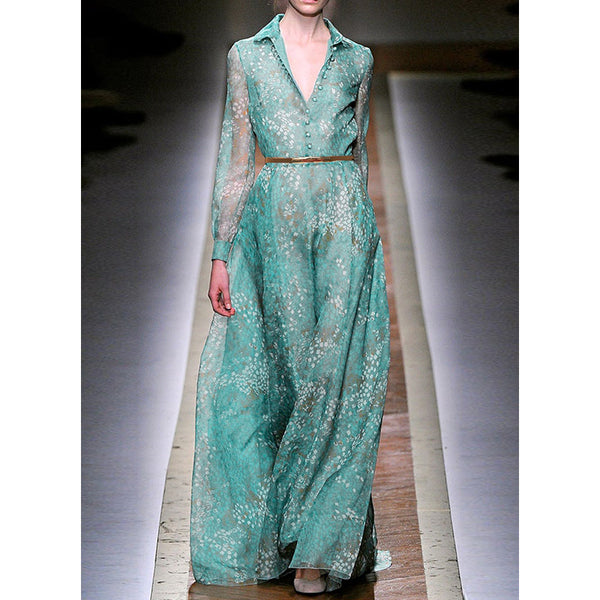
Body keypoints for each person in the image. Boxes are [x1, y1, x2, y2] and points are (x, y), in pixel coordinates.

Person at [190, 0, 390, 594]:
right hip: (272, 236)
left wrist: (364, 235)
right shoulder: (247, 57)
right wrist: (221, 251)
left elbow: (360, 157)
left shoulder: (357, 60)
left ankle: (317, 548)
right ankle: (286, 534)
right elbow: (235, 156)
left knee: (341, 383)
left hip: (344, 235)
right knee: (283, 384)